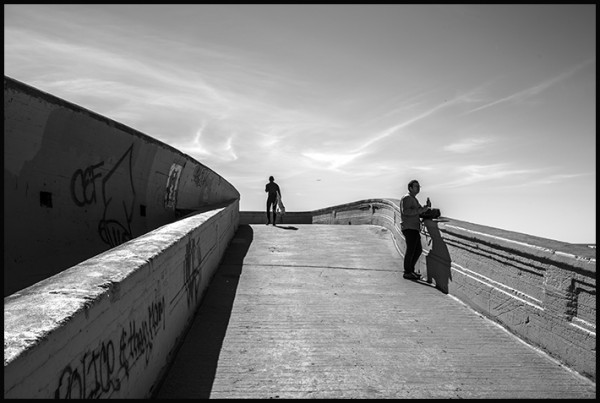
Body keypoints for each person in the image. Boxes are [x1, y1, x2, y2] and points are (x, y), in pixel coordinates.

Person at [399, 179, 431, 280]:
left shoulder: (413, 198)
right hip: (409, 227)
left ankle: (410, 270)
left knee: (417, 250)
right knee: (411, 250)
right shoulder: (407, 198)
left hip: (413, 227)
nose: (418, 188)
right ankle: (407, 272)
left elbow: (419, 211)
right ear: (410, 188)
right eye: (416, 186)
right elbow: (406, 211)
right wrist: (421, 210)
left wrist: (426, 208)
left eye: (418, 187)